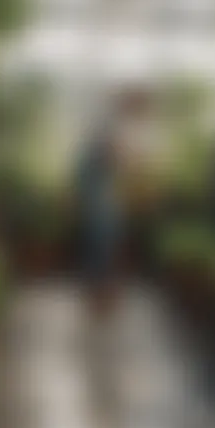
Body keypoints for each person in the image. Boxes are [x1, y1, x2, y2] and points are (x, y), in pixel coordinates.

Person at [72, 108, 122, 313]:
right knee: (97, 247)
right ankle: (96, 286)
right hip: (97, 211)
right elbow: (82, 184)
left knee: (103, 248)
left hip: (105, 210)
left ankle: (100, 286)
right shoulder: (92, 159)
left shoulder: (102, 160)